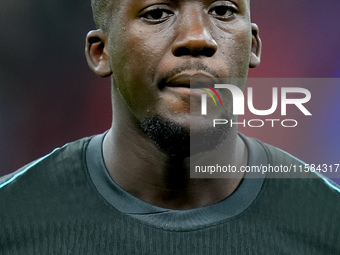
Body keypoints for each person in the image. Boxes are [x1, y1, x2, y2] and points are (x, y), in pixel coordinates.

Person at [1, 0, 339, 254]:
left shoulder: (328, 223)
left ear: (253, 46)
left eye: (222, 10)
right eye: (157, 12)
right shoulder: (11, 218)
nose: (197, 38)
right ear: (101, 52)